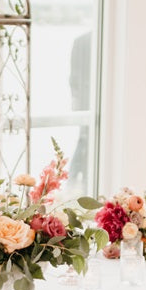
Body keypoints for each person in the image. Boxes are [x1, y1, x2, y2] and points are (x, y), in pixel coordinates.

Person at [68, 29, 91, 182]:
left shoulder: (81, 41)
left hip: (84, 102)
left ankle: (73, 179)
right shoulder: (82, 41)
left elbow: (73, 79)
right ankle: (73, 179)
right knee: (84, 141)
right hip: (86, 104)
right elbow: (74, 78)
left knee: (84, 141)